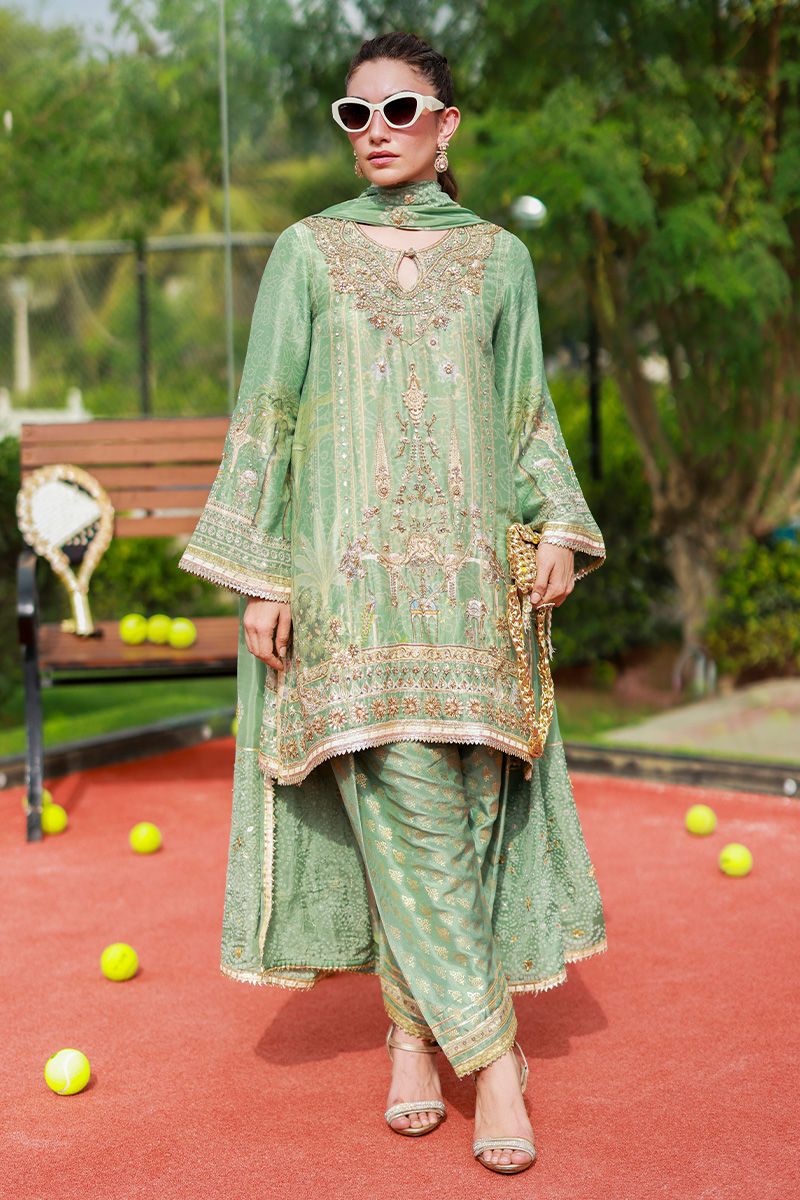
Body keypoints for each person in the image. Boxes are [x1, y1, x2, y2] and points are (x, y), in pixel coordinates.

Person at [180, 31, 606, 1176]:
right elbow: (267, 414)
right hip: (351, 596)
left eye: (399, 110)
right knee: (407, 808)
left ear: (445, 124)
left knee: (465, 823)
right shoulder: (307, 252)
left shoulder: (500, 261)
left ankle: (411, 1041)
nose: (375, 132)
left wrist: (559, 528)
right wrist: (263, 576)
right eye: (354, 114)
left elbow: (525, 416)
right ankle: (494, 1061)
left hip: (473, 592)